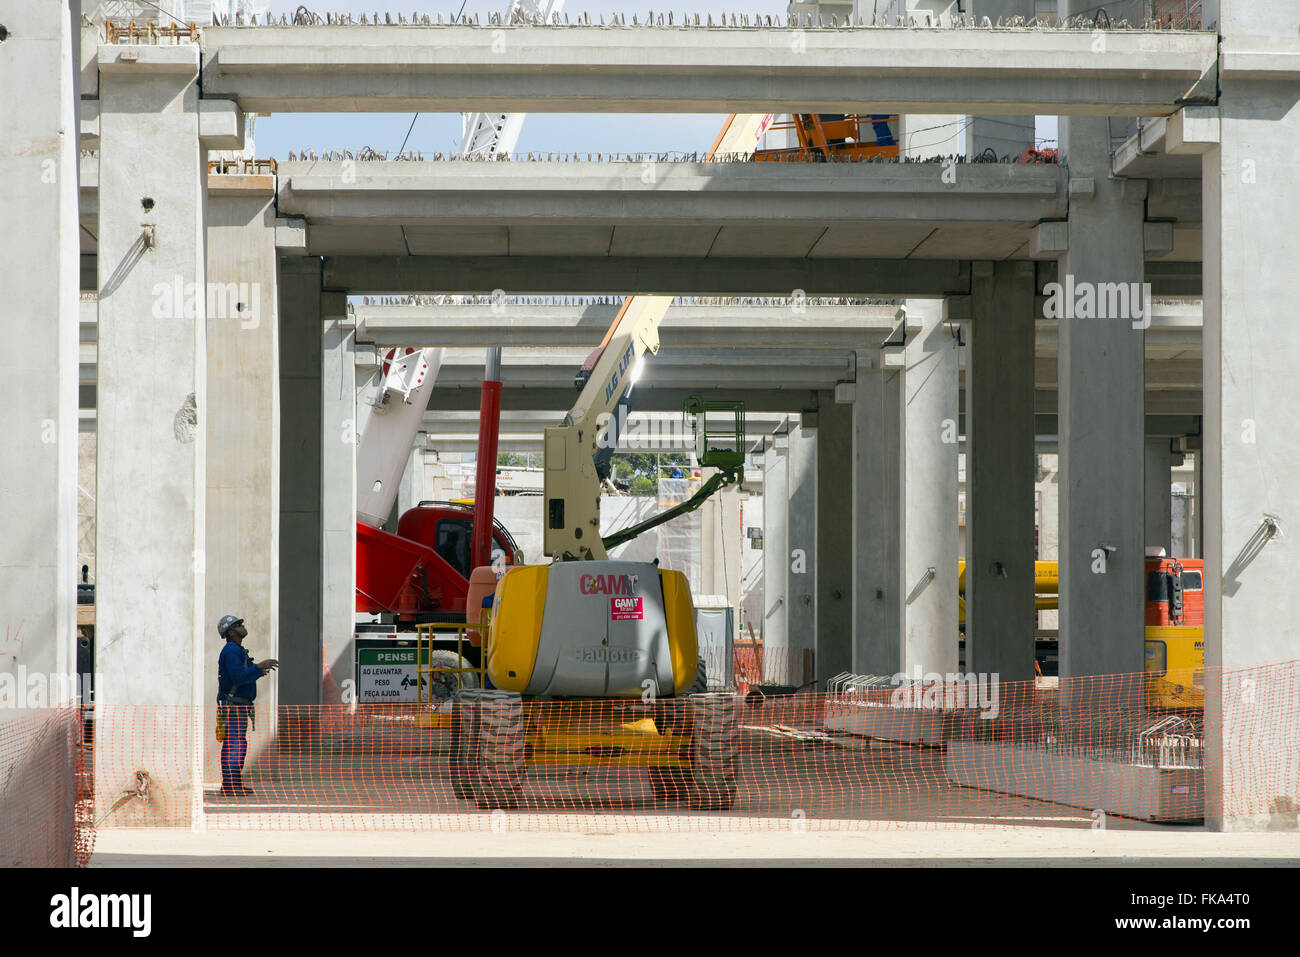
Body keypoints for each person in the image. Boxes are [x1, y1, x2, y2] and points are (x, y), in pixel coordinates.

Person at [216, 615, 277, 796]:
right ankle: (230, 786)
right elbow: (238, 677)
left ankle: (234, 784)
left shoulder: (237, 650)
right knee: (234, 745)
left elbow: (242, 676)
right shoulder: (231, 651)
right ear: (230, 631)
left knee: (237, 744)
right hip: (234, 707)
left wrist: (256, 672)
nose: (242, 627)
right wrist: (258, 668)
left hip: (239, 706)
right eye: (238, 625)